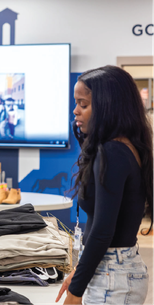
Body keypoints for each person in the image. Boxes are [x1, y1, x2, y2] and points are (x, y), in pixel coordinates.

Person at [56, 66, 154, 305]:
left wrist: (75, 292)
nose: (75, 111)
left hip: (114, 277)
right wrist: (80, 271)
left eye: (84, 104)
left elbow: (102, 231)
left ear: (108, 107)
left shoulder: (113, 152)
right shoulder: (123, 147)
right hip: (112, 270)